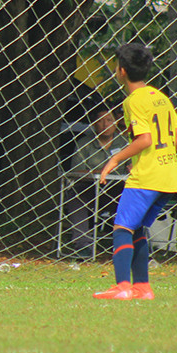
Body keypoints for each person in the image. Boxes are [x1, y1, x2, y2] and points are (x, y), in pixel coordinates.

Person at [93, 43, 177, 301]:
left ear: (121, 71)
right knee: (138, 230)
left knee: (122, 228)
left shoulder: (133, 101)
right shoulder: (160, 96)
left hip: (148, 176)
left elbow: (144, 139)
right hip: (170, 175)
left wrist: (115, 159)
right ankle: (142, 288)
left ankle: (122, 285)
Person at [64, 107, 127, 258]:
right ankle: (83, 246)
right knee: (75, 195)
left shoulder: (125, 143)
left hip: (117, 189)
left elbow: (132, 166)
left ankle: (127, 245)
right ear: (93, 124)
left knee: (133, 196)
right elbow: (76, 171)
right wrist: (99, 173)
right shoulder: (84, 143)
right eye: (100, 121)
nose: (105, 124)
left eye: (109, 120)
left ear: (116, 123)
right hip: (90, 188)